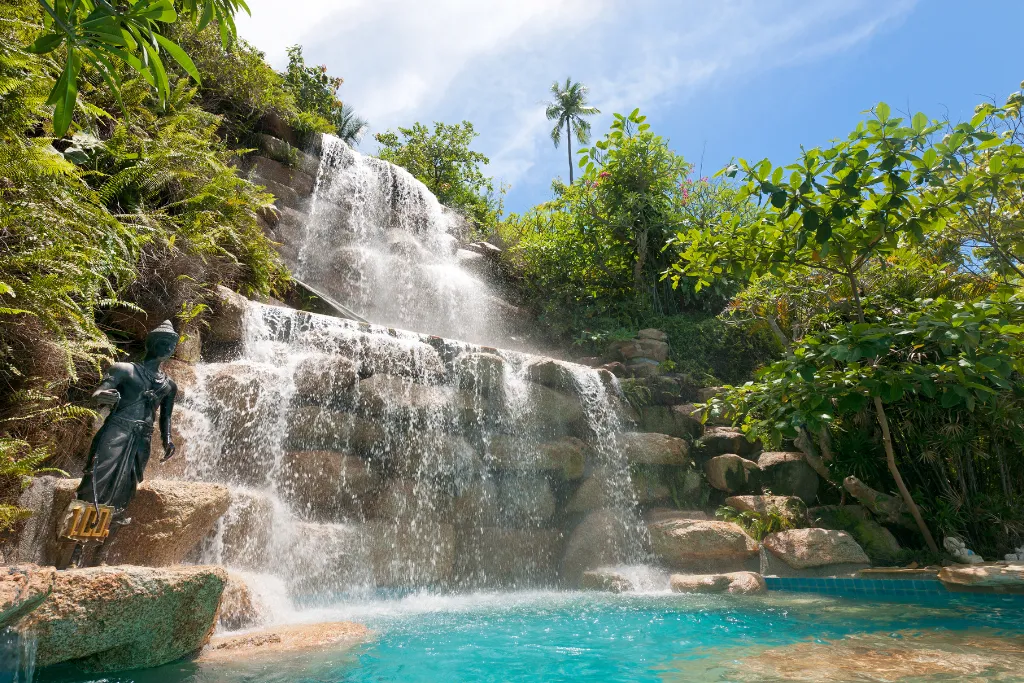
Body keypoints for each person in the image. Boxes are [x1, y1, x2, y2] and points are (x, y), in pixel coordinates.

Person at [61, 321, 180, 567]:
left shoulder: (169, 385)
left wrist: (167, 439)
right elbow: (97, 394)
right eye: (165, 342)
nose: (169, 348)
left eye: (173, 344)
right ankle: (74, 550)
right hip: (117, 430)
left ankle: (101, 553)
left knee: (125, 492)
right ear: (152, 343)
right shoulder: (124, 370)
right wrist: (105, 396)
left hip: (142, 439)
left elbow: (166, 416)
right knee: (95, 481)